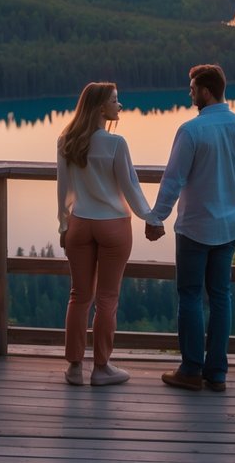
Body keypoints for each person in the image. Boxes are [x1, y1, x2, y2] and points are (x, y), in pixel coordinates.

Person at [146, 64, 235, 392]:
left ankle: (191, 369)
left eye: (193, 88)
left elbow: (173, 180)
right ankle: (217, 373)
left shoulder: (192, 131)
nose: (190, 93)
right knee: (221, 295)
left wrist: (156, 218)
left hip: (196, 226)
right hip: (230, 224)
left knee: (191, 295)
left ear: (206, 91)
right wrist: (226, 182)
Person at [57, 81, 160, 386]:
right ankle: (101, 368)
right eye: (116, 100)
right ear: (101, 107)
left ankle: (75, 368)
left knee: (79, 296)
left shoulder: (66, 140)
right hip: (113, 224)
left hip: (79, 223)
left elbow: (63, 190)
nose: (120, 105)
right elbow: (131, 187)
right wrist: (152, 218)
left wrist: (63, 226)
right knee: (107, 298)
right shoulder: (116, 144)